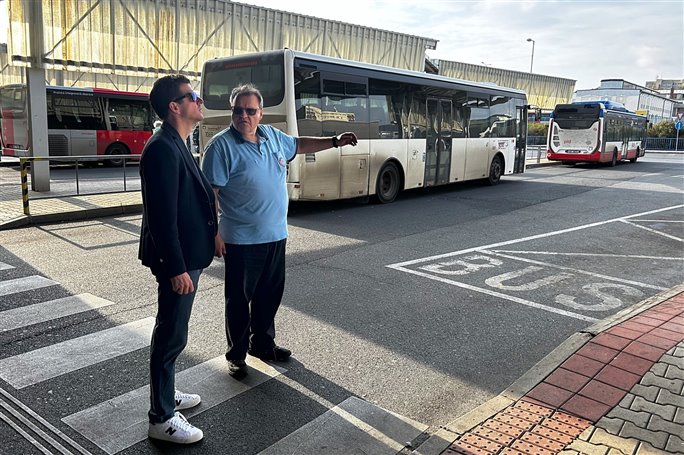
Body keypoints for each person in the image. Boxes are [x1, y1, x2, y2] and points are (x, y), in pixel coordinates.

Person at [201, 83, 357, 378]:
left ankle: (262, 344)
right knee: (238, 301)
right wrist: (214, 233)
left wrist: (334, 141)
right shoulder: (220, 147)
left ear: (261, 114)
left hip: (275, 235)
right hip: (240, 240)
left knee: (269, 296)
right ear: (232, 112)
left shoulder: (273, 137)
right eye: (238, 110)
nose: (243, 116)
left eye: (250, 110)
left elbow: (299, 145)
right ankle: (236, 354)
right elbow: (210, 194)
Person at [138, 75, 218, 444]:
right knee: (170, 334)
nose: (199, 101)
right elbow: (161, 217)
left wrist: (212, 234)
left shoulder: (178, 142)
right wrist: (176, 268)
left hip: (188, 256)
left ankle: (166, 394)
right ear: (175, 105)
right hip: (178, 261)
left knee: (173, 333)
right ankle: (162, 417)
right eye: (193, 96)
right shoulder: (162, 149)